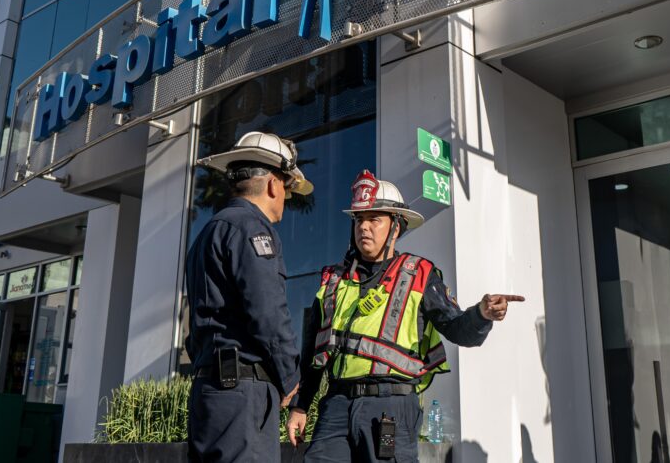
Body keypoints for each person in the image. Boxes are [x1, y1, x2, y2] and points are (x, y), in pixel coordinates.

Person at [287, 170, 524, 461]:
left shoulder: (420, 274)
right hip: (336, 404)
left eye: (375, 219)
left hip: (391, 406)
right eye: (360, 220)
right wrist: (300, 406)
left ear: (396, 228)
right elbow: (314, 350)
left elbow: (458, 330)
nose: (364, 228)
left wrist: (482, 313)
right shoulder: (334, 280)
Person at [184, 131, 312, 462]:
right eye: (286, 186)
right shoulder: (252, 228)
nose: (286, 196)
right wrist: (289, 375)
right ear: (272, 184)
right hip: (242, 394)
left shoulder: (209, 232)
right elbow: (267, 310)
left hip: (210, 391)